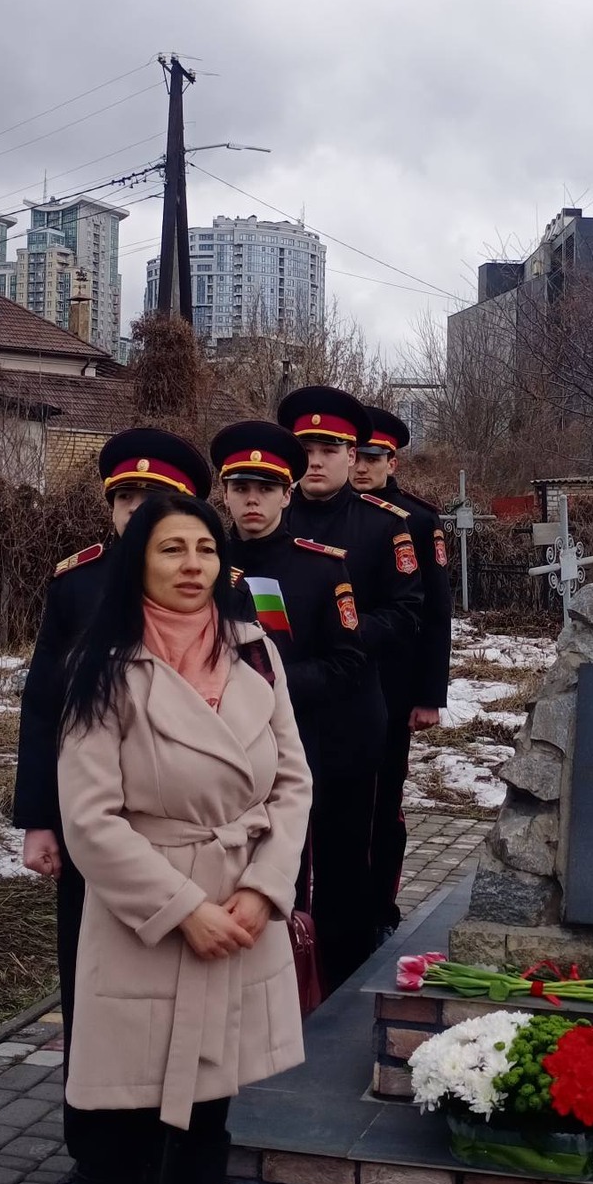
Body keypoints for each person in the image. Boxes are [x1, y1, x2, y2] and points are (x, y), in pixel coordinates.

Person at [57, 492, 311, 1184]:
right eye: (173, 549)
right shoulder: (103, 663)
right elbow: (89, 820)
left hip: (241, 916)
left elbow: (294, 781)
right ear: (141, 560)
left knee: (207, 1129)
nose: (193, 564)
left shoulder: (256, 652)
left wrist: (262, 892)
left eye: (206, 547)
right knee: (117, 1148)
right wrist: (183, 909)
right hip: (146, 924)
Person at [14, 427, 213, 1184]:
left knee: (177, 996)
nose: (135, 510)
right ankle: (95, 1159)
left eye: (153, 498)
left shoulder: (217, 586)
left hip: (185, 834)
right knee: (91, 993)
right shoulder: (77, 585)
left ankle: (171, 1159)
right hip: (94, 832)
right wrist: (39, 821)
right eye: (124, 497)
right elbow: (43, 708)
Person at [210, 419, 382, 989]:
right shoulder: (202, 563)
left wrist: (268, 689)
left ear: (287, 495)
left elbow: (347, 661)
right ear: (224, 493)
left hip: (303, 742)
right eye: (240, 487)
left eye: (265, 488)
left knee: (311, 869)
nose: (251, 500)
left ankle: (320, 982)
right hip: (219, 750)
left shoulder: (319, 566)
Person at [275, 385, 423, 966]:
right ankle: (280, 969)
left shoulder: (382, 526)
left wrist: (344, 639)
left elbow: (407, 611)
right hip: (274, 713)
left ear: (351, 455)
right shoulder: (266, 520)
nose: (315, 461)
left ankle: (343, 973)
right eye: (305, 449)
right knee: (277, 850)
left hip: (349, 713)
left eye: (329, 449)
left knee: (344, 852)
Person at [351, 407, 453, 936]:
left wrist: (429, 694)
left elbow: (435, 612)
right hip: (335, 684)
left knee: (382, 804)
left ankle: (379, 911)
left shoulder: (415, 519)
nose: (361, 467)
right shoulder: (324, 514)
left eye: (373, 458)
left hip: (391, 687)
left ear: (392, 461)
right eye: (356, 456)